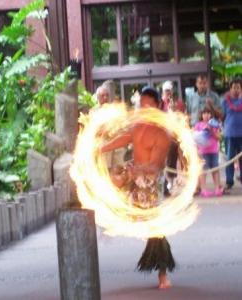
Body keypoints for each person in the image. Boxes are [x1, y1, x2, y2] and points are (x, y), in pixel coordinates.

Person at [100, 87, 175, 289]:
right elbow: (127, 137)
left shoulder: (163, 133)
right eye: (141, 106)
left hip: (150, 181)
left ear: (159, 106)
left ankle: (162, 273)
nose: (144, 109)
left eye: (148, 106)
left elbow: (156, 164)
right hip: (134, 168)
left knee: (155, 230)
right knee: (105, 178)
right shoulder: (139, 123)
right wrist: (103, 147)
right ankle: (103, 215)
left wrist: (139, 171)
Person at [91, 86, 125, 168]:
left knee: (119, 170)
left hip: (117, 145)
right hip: (104, 144)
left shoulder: (114, 109)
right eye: (103, 95)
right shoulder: (94, 111)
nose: (105, 97)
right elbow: (94, 129)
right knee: (106, 170)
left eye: (107, 95)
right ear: (98, 97)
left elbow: (120, 125)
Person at [193, 106, 223, 197]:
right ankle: (204, 189)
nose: (206, 115)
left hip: (214, 151)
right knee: (203, 171)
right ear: (201, 115)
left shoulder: (214, 124)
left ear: (211, 114)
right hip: (203, 152)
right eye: (204, 113)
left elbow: (219, 138)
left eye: (208, 113)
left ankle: (217, 188)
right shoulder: (198, 125)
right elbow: (195, 138)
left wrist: (211, 130)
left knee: (215, 171)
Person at [221, 78, 242, 191]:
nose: (236, 89)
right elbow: (221, 116)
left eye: (238, 87)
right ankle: (229, 181)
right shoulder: (224, 101)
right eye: (234, 87)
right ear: (230, 89)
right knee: (229, 158)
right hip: (229, 134)